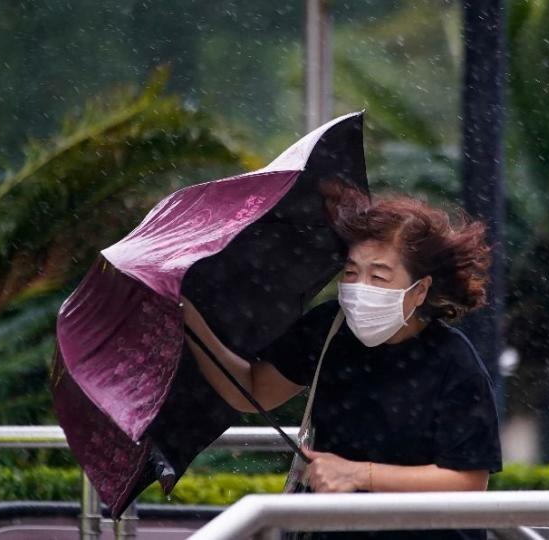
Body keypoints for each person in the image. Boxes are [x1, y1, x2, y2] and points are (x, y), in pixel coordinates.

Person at [179, 179, 502, 540]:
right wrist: (193, 324)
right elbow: (254, 391)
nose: (360, 287)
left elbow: (468, 483)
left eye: (379, 275)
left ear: (421, 290)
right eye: (351, 272)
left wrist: (358, 474)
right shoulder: (328, 328)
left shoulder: (455, 363)